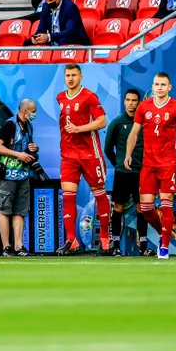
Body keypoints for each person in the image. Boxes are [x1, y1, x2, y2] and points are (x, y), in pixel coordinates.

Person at [124, 72, 176, 260]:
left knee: (166, 203)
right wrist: (128, 154)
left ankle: (163, 247)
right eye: (157, 84)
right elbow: (134, 133)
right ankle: (165, 231)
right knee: (146, 208)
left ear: (170, 87)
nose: (160, 87)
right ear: (152, 87)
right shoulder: (143, 107)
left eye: (163, 84)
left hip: (169, 163)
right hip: (148, 164)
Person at [55, 64, 112, 255]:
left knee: (99, 193)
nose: (70, 78)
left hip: (90, 154)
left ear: (81, 76)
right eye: (67, 75)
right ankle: (71, 240)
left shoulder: (89, 96)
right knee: (68, 196)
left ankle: (105, 237)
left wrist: (79, 129)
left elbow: (102, 121)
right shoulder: (61, 97)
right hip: (69, 155)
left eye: (74, 75)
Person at [105, 89, 150, 256]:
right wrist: (118, 163)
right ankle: (115, 245)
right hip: (123, 173)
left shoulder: (145, 123)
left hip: (142, 172)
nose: (131, 103)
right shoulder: (116, 123)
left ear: (139, 102)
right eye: (128, 100)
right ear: (124, 102)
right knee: (118, 207)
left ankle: (144, 246)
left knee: (142, 208)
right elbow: (108, 148)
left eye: (134, 100)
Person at [0, 99, 38, 257]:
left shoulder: (28, 126)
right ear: (25, 111)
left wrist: (33, 148)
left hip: (23, 175)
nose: (34, 115)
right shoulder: (10, 125)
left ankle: (19, 247)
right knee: (5, 210)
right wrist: (19, 154)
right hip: (7, 175)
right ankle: (6, 247)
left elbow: (26, 147)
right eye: (33, 112)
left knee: (20, 211)